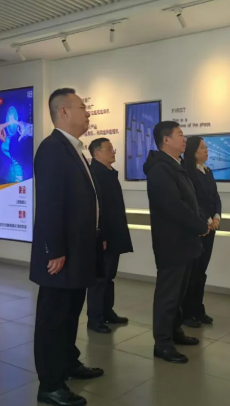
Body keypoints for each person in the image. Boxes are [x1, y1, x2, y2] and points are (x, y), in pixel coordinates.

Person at [30, 88, 104, 406]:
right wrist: (54, 250)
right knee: (54, 318)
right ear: (64, 112)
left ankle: (68, 363)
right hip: (60, 255)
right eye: (82, 107)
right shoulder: (52, 149)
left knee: (71, 313)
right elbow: (49, 204)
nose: (88, 113)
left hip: (78, 251)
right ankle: (50, 385)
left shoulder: (73, 149)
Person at [143, 121, 210, 364]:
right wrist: (199, 225)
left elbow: (190, 201)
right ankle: (162, 343)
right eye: (180, 135)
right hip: (171, 242)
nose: (184, 139)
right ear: (166, 140)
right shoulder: (160, 169)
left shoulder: (176, 164)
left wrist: (199, 222)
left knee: (180, 293)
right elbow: (174, 206)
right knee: (168, 295)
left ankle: (174, 331)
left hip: (185, 241)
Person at [86, 137, 133, 334]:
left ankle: (107, 312)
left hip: (114, 233)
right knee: (99, 279)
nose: (113, 152)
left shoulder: (108, 172)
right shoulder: (95, 174)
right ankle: (95, 319)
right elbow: (97, 209)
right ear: (97, 153)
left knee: (109, 276)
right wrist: (102, 236)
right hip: (103, 236)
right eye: (109, 149)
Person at [182, 136, 222, 328]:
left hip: (211, 227)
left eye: (206, 147)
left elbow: (216, 197)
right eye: (202, 148)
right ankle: (187, 312)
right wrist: (206, 220)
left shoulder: (207, 171)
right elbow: (193, 200)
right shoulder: (187, 172)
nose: (206, 151)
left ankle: (198, 309)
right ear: (192, 151)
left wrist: (217, 216)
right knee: (192, 272)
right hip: (198, 228)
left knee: (201, 271)